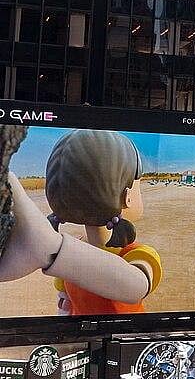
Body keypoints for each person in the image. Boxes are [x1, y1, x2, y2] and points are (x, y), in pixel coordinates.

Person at [0, 132, 161, 315]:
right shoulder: (133, 253)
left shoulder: (135, 254)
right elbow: (65, 301)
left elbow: (136, 287)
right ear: (128, 196)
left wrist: (54, 249)